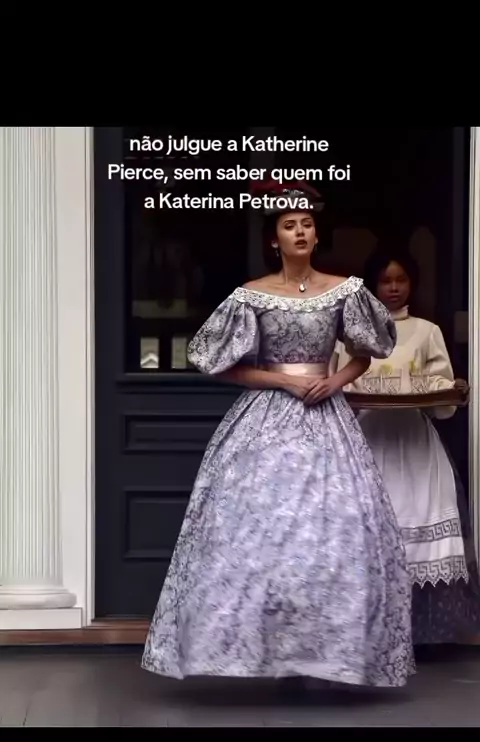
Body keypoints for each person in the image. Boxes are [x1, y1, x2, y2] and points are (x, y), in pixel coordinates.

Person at [142, 184, 415, 688]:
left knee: (335, 533)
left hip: (327, 419)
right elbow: (218, 364)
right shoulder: (253, 295)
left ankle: (327, 655)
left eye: (307, 224)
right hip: (265, 420)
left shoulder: (344, 290)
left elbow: (366, 352)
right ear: (275, 239)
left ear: (316, 234)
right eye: (290, 225)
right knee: (258, 534)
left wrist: (335, 380)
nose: (300, 232)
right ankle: (260, 653)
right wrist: (283, 381)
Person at [334, 247, 480, 645]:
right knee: (369, 527)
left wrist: (449, 391)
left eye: (401, 280)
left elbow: (440, 388)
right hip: (370, 439)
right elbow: (341, 385)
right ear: (373, 284)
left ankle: (419, 633)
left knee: (417, 520)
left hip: (414, 442)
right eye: (386, 280)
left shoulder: (426, 331)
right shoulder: (354, 332)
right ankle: (370, 633)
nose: (394, 287)